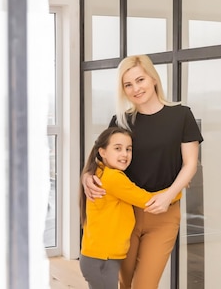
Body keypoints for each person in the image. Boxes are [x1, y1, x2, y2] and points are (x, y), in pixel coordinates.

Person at [82, 54, 203, 289]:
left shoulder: (181, 116)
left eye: (140, 80)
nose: (136, 88)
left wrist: (168, 195)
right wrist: (87, 176)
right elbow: (102, 157)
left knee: (144, 285)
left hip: (164, 215)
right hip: (124, 214)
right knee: (125, 283)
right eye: (128, 84)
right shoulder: (121, 120)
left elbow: (191, 164)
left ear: (153, 79)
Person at [79, 126, 180, 289]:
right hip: (103, 260)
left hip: (96, 257)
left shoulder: (98, 171)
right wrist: (177, 190)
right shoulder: (113, 178)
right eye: (117, 148)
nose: (124, 154)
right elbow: (146, 200)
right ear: (102, 152)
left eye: (128, 149)